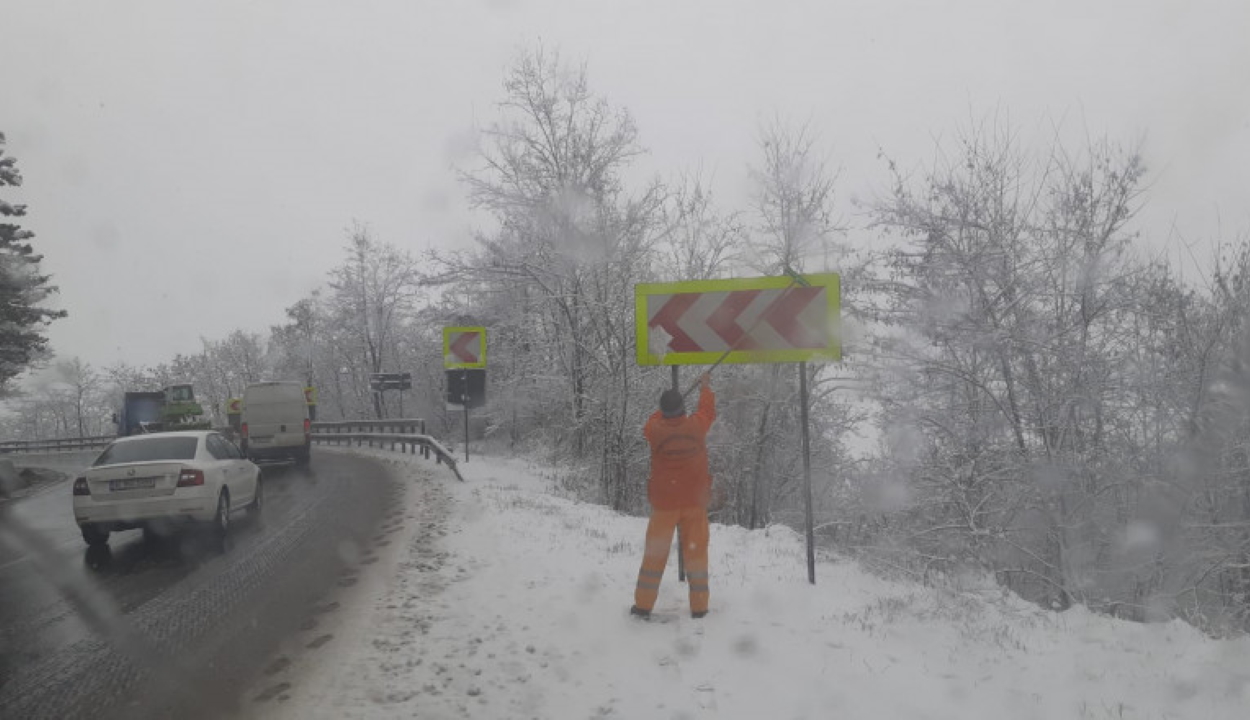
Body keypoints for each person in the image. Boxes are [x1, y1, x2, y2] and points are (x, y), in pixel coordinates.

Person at [631, 371, 716, 620]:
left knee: (654, 555)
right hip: (694, 503)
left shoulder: (655, 431)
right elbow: (707, 411)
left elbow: (651, 421)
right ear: (682, 409)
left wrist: (662, 412)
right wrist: (705, 387)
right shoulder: (696, 426)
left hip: (664, 505)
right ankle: (699, 608)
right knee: (696, 553)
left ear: (663, 411)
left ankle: (643, 605)